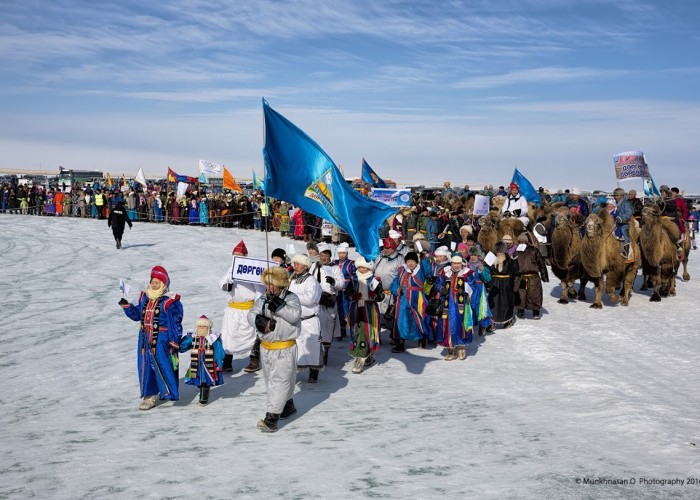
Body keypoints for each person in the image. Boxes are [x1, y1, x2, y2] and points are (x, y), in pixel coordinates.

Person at [119, 266, 183, 410]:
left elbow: (175, 323)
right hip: (144, 339)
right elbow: (137, 316)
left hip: (162, 339)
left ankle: (165, 391)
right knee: (146, 366)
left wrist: (174, 341)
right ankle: (149, 396)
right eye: (153, 282)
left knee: (163, 366)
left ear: (164, 284)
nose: (154, 285)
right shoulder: (144, 297)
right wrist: (127, 306)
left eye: (157, 282)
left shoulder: (170, 301)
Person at [247, 266, 302, 433]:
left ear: (281, 284)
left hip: (284, 347)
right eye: (267, 284)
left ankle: (271, 419)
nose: (268, 288)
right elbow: (251, 314)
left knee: (280, 381)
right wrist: (259, 322)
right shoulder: (263, 298)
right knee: (272, 380)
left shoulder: (291, 298)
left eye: (272, 284)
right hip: (266, 348)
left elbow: (294, 315)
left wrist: (279, 307)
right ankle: (287, 405)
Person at [219, 240, 264, 373]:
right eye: (235, 255)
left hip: (247, 309)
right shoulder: (231, 269)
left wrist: (256, 306)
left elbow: (260, 289)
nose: (236, 257)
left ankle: (254, 360)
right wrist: (225, 285)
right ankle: (227, 360)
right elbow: (222, 281)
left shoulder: (251, 270)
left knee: (249, 335)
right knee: (228, 335)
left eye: (239, 255)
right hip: (232, 308)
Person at [346, 257, 385, 374]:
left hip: (369, 311)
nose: (361, 269)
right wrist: (353, 296)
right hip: (356, 309)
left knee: (366, 332)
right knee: (357, 332)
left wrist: (374, 296)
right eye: (360, 267)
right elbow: (347, 294)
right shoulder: (353, 279)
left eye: (364, 267)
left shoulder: (375, 280)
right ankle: (367, 355)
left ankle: (360, 358)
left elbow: (381, 295)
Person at [288, 254, 323, 383]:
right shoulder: (291, 280)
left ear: (305, 266)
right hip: (295, 320)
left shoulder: (311, 281)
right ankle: (294, 372)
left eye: (298, 264)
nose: (295, 266)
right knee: (295, 347)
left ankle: (314, 372)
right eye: (294, 263)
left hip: (309, 319)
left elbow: (309, 299)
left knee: (312, 346)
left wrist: (291, 296)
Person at [309, 245, 345, 366]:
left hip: (328, 301)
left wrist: (334, 282)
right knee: (315, 328)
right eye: (322, 255)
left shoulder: (335, 268)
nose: (324, 257)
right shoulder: (314, 266)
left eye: (326, 255)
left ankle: (325, 353)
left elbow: (341, 284)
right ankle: (315, 352)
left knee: (327, 329)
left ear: (330, 256)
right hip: (316, 301)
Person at [179, 315, 226, 405]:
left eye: (204, 326)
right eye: (200, 326)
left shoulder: (213, 338)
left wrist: (219, 364)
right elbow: (183, 346)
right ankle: (202, 392)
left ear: (208, 327)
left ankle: (203, 398)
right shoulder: (192, 337)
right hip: (195, 363)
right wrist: (178, 346)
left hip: (208, 364)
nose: (202, 328)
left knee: (205, 381)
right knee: (198, 380)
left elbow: (219, 352)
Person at [389, 251, 428, 352]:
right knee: (402, 320)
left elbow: (428, 270)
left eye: (413, 261)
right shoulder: (402, 271)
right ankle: (400, 343)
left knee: (418, 319)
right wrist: (397, 290)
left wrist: (424, 259)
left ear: (416, 262)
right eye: (408, 261)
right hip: (402, 300)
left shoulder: (421, 270)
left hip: (417, 299)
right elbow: (395, 283)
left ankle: (421, 338)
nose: (410, 263)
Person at [513, 233, 549, 319]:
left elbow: (541, 264)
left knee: (534, 294)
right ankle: (520, 311)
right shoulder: (516, 252)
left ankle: (535, 311)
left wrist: (544, 276)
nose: (522, 242)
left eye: (523, 241)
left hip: (533, 276)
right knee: (521, 294)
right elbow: (513, 265)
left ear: (526, 241)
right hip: (520, 277)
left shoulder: (534, 250)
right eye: (520, 241)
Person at [487, 241, 518, 329]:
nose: (499, 253)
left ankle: (508, 320)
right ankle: (492, 322)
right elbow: (486, 270)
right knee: (494, 303)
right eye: (498, 251)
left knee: (506, 302)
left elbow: (516, 270)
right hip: (495, 283)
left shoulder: (509, 259)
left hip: (506, 283)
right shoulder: (492, 259)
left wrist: (515, 260)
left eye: (501, 251)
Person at [334, 242, 355, 340]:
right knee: (337, 309)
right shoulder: (334, 263)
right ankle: (339, 331)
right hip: (336, 289)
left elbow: (355, 276)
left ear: (347, 254)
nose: (342, 255)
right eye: (340, 253)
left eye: (344, 253)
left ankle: (350, 330)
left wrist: (351, 287)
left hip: (347, 290)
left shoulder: (351, 263)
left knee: (347, 310)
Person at [611, 187, 635, 261]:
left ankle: (627, 254)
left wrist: (621, 218)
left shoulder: (626, 203)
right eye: (614, 196)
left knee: (624, 234)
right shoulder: (613, 203)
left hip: (623, 224)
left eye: (617, 195)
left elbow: (629, 213)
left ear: (621, 196)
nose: (615, 197)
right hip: (613, 224)